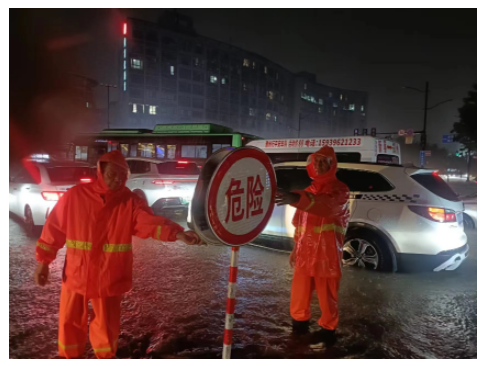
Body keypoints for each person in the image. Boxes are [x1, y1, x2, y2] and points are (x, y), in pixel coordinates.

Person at [33, 150, 202, 359]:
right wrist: (43, 262)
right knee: (70, 322)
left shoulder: (129, 202)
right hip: (77, 274)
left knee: (106, 327)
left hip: (108, 278)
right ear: (100, 171)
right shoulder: (75, 196)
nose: (117, 180)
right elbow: (54, 229)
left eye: (122, 176)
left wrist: (177, 234)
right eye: (112, 174)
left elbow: (149, 223)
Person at [275, 145, 350, 341]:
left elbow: (326, 206)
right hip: (305, 253)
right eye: (315, 161)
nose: (317, 165)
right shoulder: (308, 190)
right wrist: (295, 249)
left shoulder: (340, 190)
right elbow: (299, 224)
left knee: (327, 296)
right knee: (299, 293)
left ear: (332, 165)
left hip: (327, 253)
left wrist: (295, 198)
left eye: (322, 162)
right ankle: (299, 327)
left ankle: (328, 331)